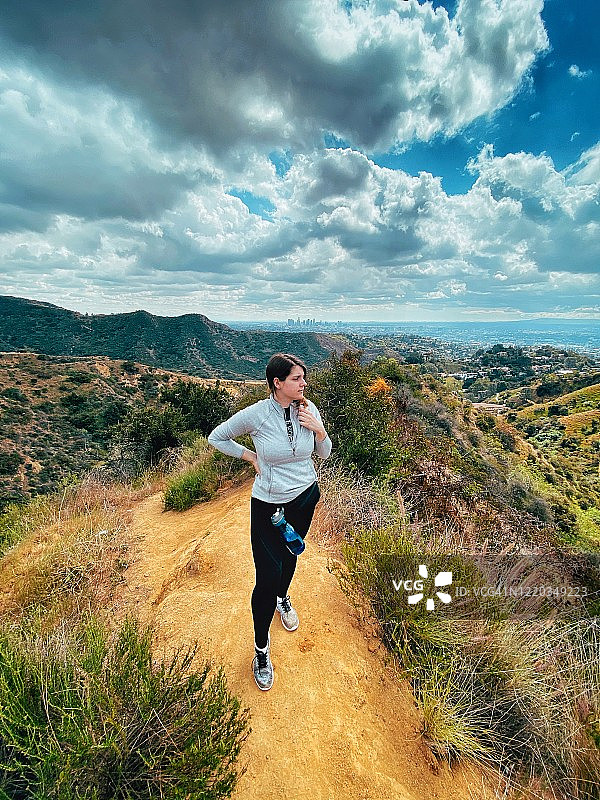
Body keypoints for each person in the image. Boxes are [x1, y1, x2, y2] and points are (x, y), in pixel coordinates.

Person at [207, 352, 332, 690]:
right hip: (269, 504)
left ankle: (283, 598)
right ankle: (261, 649)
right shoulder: (258, 415)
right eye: (296, 379)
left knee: (291, 555)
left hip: (305, 496)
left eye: (304, 378)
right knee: (267, 576)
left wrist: (318, 430)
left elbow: (325, 453)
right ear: (278, 383)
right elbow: (216, 437)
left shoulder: (309, 408)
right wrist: (250, 456)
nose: (304, 384)